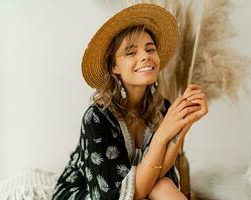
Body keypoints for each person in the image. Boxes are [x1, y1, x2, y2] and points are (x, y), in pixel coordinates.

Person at [52, 3, 208, 200]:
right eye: (131, 52)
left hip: (143, 187)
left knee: (162, 184)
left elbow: (157, 174)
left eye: (150, 49)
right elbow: (121, 196)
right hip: (88, 193)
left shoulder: (163, 109)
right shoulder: (97, 117)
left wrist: (184, 122)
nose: (145, 57)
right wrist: (162, 135)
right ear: (114, 67)